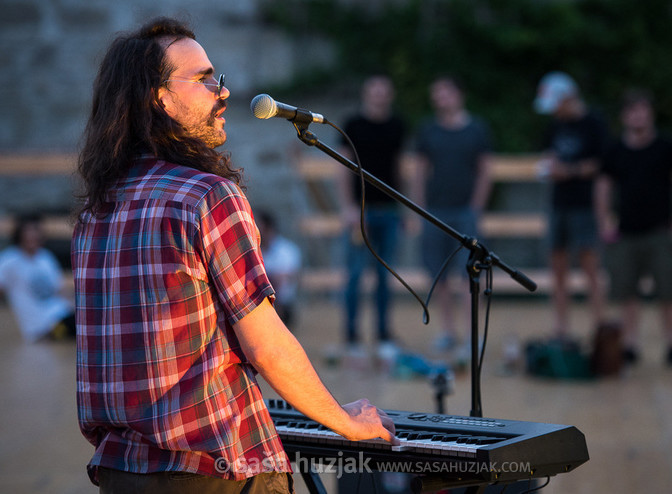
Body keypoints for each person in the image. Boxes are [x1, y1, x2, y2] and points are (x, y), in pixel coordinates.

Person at [72, 17, 396, 493]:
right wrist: (347, 422)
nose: (222, 92)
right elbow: (265, 345)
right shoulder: (207, 197)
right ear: (157, 99)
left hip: (123, 474)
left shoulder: (95, 211)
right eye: (204, 79)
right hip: (219, 472)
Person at [595, 90, 672, 367]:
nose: (638, 115)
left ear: (650, 113)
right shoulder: (614, 149)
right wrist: (604, 223)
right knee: (626, 292)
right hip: (626, 232)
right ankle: (631, 343)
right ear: (625, 116)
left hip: (661, 230)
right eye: (633, 110)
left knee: (669, 291)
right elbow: (603, 187)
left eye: (643, 110)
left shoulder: (667, 147)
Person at [412, 75, 495, 355]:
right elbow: (420, 171)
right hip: (435, 213)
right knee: (439, 275)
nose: (439, 98)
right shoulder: (428, 130)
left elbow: (485, 170)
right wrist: (419, 209)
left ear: (459, 95)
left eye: (444, 93)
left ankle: (473, 336)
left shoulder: (476, 130)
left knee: (469, 275)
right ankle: (448, 331)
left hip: (465, 213)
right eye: (436, 94)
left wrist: (476, 207)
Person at [337, 74, 406, 365]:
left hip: (389, 211)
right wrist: (348, 206)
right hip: (361, 211)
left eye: (384, 92)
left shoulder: (398, 126)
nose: (379, 96)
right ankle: (351, 336)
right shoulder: (352, 125)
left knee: (383, 277)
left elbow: (401, 168)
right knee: (354, 275)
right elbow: (342, 166)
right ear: (366, 94)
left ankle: (383, 335)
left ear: (389, 95)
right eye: (374, 91)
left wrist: (405, 207)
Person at [534, 71, 608, 339]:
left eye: (556, 105)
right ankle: (561, 327)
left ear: (568, 98)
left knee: (590, 266)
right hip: (558, 204)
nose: (554, 111)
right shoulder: (555, 126)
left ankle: (599, 326)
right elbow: (550, 155)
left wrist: (570, 171)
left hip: (585, 204)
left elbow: (602, 163)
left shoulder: (594, 124)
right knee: (558, 267)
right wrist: (549, 167)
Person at [0, 214, 75, 342]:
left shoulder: (45, 257)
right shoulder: (9, 260)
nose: (33, 235)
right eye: (29, 231)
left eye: (36, 231)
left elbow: (59, 289)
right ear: (19, 234)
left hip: (62, 315)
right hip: (44, 326)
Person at [254, 209, 302, 328]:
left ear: (268, 228)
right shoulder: (254, 251)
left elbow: (291, 278)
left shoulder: (287, 250)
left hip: (282, 303)